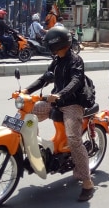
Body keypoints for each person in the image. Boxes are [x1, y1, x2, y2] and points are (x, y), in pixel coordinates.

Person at [22, 26, 95, 202]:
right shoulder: (57, 60)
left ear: (59, 44)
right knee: (28, 113)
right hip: (55, 101)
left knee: (74, 139)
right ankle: (35, 152)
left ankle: (87, 182)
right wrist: (27, 89)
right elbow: (45, 78)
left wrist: (60, 95)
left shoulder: (76, 60)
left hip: (72, 104)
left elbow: (76, 81)